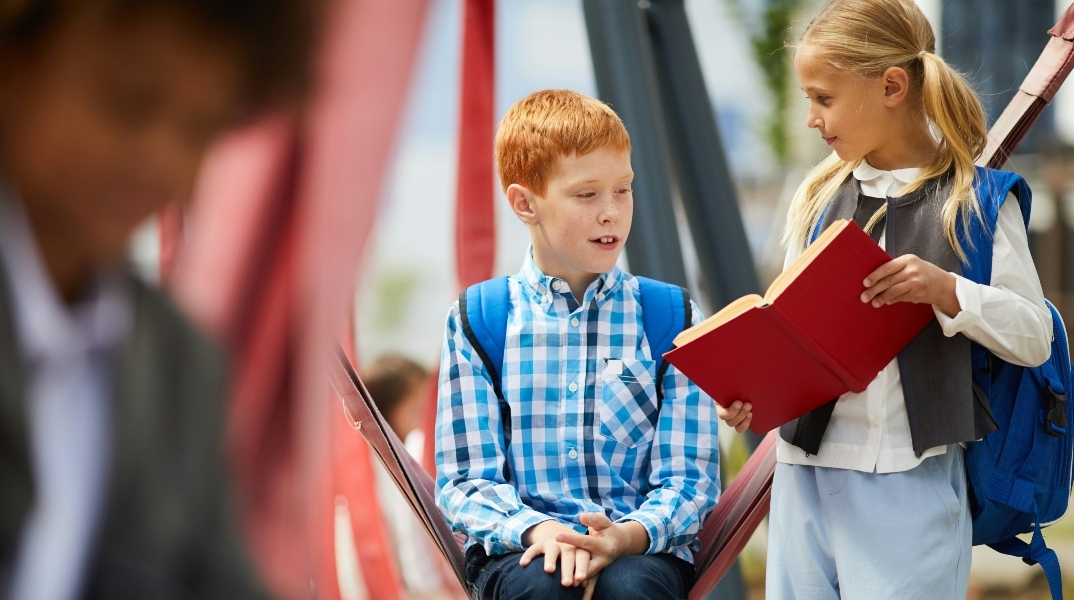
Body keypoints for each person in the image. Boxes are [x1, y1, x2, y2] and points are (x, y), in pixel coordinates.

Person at [716, 1, 1053, 598]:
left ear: (892, 86)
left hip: (909, 480)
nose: (813, 119)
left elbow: (1034, 337)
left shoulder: (977, 202)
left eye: (824, 98)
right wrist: (754, 392)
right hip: (803, 475)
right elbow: (790, 332)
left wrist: (947, 291)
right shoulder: (817, 196)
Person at [0, 0, 314, 598]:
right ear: (14, 63)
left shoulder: (180, 363)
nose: (161, 157)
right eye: (129, 101)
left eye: (200, 129)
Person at [434, 89, 721, 600]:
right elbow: (465, 482)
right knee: (544, 588)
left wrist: (626, 537)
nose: (611, 212)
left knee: (631, 590)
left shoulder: (670, 317)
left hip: (641, 547)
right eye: (587, 195)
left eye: (623, 190)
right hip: (518, 545)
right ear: (525, 204)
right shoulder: (480, 320)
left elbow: (689, 479)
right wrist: (541, 532)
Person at [363, 353, 456, 600]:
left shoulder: (373, 468)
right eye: (418, 410)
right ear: (384, 415)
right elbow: (416, 561)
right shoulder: (400, 463)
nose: (428, 421)